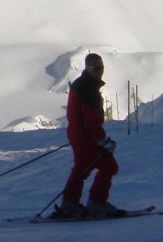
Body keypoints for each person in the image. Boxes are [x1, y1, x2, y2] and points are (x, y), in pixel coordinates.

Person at [55, 52, 120, 218]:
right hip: (86, 137)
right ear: (88, 68)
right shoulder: (89, 90)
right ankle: (97, 203)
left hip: (76, 134)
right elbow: (92, 122)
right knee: (109, 166)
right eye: (96, 68)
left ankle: (69, 205)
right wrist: (103, 141)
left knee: (81, 168)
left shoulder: (80, 84)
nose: (100, 71)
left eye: (101, 67)